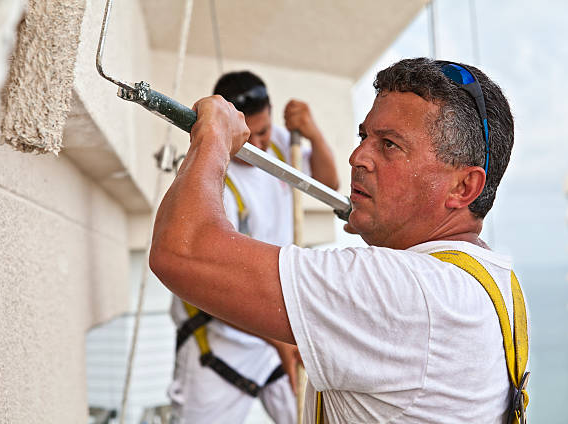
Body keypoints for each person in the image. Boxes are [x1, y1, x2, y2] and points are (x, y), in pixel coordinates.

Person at [151, 58, 530, 423]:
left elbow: (181, 250)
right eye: (364, 136)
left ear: (464, 186)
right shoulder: (491, 283)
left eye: (390, 145)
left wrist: (212, 139)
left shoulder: (405, 292)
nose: (357, 156)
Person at [167, 70, 339, 424]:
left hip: (274, 335)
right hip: (218, 345)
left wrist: (312, 133)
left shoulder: (277, 144)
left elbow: (329, 184)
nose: (260, 143)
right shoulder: (210, 177)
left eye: (265, 130)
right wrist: (280, 340)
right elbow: (208, 285)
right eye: (251, 134)